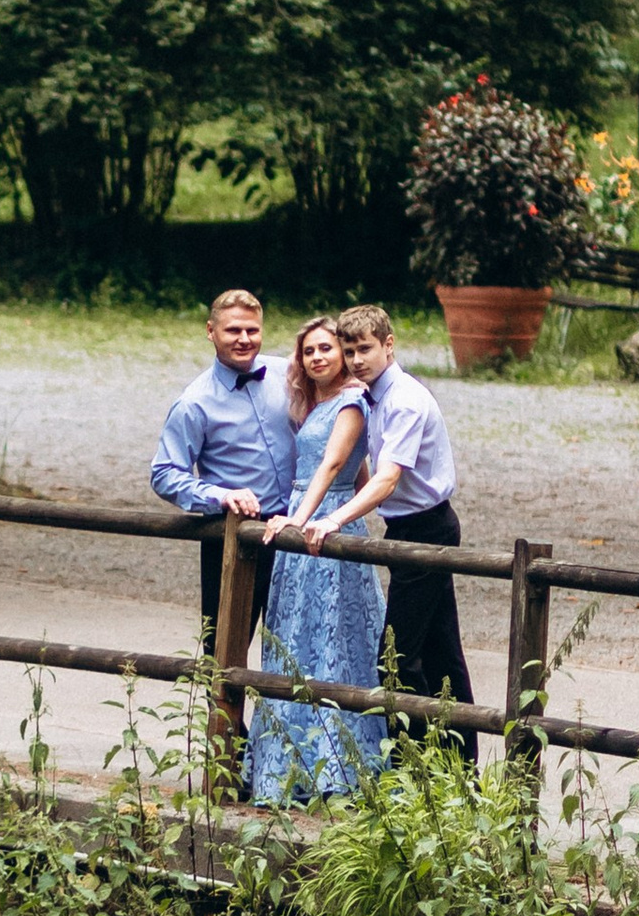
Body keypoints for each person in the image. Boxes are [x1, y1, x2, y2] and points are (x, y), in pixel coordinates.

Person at [299, 302, 474, 742]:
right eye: (350, 351)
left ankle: (412, 767)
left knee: (396, 658)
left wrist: (333, 519)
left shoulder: (404, 401)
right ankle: (458, 765)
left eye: (365, 349)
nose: (356, 360)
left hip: (426, 527)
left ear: (389, 345)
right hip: (406, 526)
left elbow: (388, 477)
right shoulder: (373, 396)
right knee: (440, 651)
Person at [246, 316, 390, 804]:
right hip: (308, 513)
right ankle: (289, 763)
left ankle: (340, 768)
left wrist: (296, 519)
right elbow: (360, 467)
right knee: (295, 637)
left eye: (327, 348)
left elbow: (333, 466)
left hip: (323, 521)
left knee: (336, 639)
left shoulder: (351, 401)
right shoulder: (317, 403)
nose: (319, 358)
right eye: (309, 351)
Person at [151, 286, 296, 645]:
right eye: (233, 331)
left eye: (253, 330)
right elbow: (165, 473)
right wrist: (220, 496)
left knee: (296, 649)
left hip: (294, 527)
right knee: (225, 648)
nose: (245, 339)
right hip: (234, 536)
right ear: (210, 331)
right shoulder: (194, 403)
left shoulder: (288, 375)